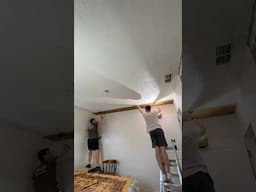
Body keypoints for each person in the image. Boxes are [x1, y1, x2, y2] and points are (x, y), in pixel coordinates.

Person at [137, 104, 171, 183]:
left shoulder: (145, 114)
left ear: (145, 109)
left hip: (151, 132)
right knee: (163, 150)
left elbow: (139, 109)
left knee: (157, 151)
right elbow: (160, 109)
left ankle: (163, 173)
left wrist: (137, 105)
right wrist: (156, 106)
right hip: (158, 130)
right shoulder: (154, 112)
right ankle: (168, 173)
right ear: (150, 108)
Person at [182, 110, 215, 192]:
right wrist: (193, 118)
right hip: (198, 176)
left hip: (184, 180)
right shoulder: (189, 133)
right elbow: (203, 129)